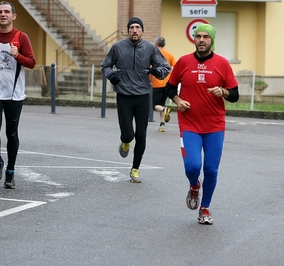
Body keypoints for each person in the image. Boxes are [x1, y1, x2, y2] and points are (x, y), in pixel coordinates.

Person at [165, 24, 239, 225]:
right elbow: (169, 87)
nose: (201, 40)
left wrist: (222, 92)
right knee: (192, 166)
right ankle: (194, 186)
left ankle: (204, 208)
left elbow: (235, 94)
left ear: (211, 40)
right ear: (194, 39)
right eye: (198, 36)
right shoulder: (183, 62)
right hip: (189, 124)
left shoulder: (222, 64)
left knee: (211, 170)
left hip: (214, 126)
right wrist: (178, 101)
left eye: (206, 36)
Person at [101, 17, 170, 183]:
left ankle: (135, 169)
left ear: (142, 30)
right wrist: (112, 76)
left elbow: (165, 67)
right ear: (128, 30)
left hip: (142, 96)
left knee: (141, 135)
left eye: (137, 27)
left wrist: (156, 72)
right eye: (131, 27)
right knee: (128, 134)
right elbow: (106, 66)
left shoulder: (150, 48)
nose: (134, 30)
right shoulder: (118, 47)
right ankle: (125, 142)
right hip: (124, 95)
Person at [0, 1, 36, 189]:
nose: (2, 14)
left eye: (6, 12)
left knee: (11, 133)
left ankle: (10, 171)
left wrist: (17, 56)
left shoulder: (21, 37)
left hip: (14, 93)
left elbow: (31, 63)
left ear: (14, 16)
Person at [151, 36, 176, 132]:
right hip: (167, 83)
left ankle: (165, 110)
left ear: (156, 44)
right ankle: (162, 125)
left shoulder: (153, 55)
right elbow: (175, 66)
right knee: (161, 104)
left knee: (154, 106)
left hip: (156, 83)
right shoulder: (169, 55)